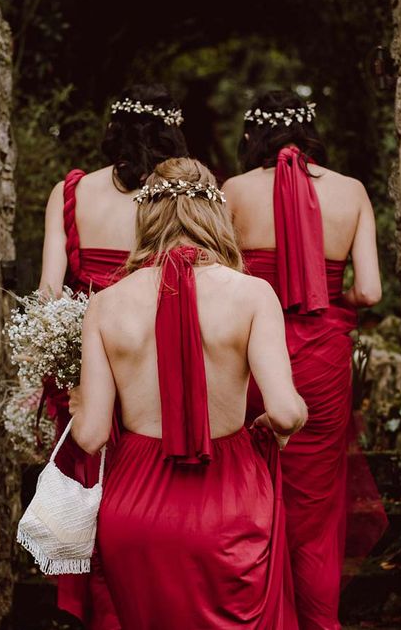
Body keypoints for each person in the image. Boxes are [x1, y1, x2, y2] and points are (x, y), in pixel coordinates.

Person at [71, 157, 308, 629]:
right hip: (229, 505)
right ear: (215, 214)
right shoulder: (253, 294)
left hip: (135, 511)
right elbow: (284, 411)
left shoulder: (104, 304)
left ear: (146, 216)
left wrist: (77, 398)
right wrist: (278, 423)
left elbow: (92, 434)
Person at [221, 90, 388, 630]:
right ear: (310, 132)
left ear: (252, 136)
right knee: (315, 507)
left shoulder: (233, 191)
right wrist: (324, 289)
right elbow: (369, 290)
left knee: (248, 491)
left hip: (248, 360)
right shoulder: (352, 192)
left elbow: (217, 283)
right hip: (322, 359)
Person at [37, 83, 188, 628]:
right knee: (142, 484)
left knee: (89, 483)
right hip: (146, 351)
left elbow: (51, 291)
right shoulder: (177, 194)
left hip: (81, 351)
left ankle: (90, 607)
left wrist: (55, 363)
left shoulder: (70, 190)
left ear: (112, 128)